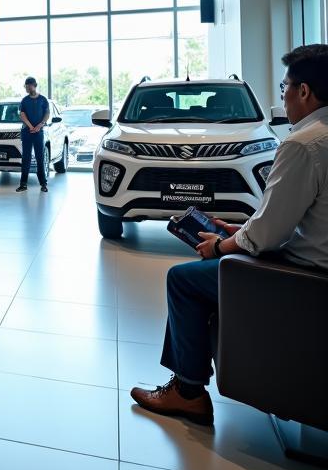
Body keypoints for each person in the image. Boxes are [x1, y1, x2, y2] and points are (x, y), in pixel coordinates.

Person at [131, 44, 328, 426]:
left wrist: (221, 245)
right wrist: (244, 231)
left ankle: (188, 392)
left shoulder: (304, 144)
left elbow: (268, 233)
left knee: (183, 279)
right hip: (314, 262)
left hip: (308, 280)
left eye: (285, 86)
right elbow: (296, 220)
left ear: (304, 91)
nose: (283, 95)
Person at [17, 77, 50, 193]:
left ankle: (43, 184)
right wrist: (31, 126)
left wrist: (40, 125)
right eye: (25, 86)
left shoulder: (43, 100)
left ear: (33, 85)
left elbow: (47, 113)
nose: (26, 87)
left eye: (27, 85)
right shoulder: (24, 100)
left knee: (39, 157)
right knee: (26, 158)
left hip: (38, 133)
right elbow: (22, 114)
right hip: (27, 132)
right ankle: (23, 184)